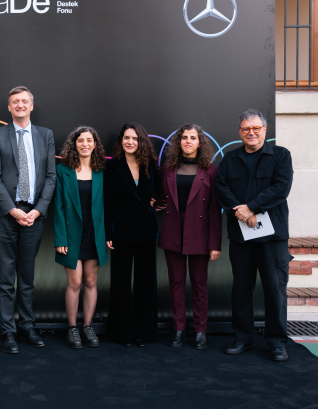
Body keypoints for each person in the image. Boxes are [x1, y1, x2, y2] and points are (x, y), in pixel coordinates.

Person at [216, 109, 293, 362]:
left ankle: (277, 342)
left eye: (256, 128)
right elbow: (221, 188)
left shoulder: (281, 155)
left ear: (265, 130)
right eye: (246, 129)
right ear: (240, 132)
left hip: (273, 238)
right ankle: (243, 338)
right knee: (241, 289)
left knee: (275, 290)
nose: (251, 133)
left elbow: (281, 188)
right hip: (241, 237)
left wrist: (252, 208)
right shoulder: (230, 159)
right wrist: (241, 212)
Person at [0, 86, 56, 354]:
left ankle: (27, 326)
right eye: (15, 101)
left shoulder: (45, 135)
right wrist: (12, 210)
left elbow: (51, 177)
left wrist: (38, 210)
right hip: (5, 215)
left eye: (24, 101)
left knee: (27, 276)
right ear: (9, 107)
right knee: (5, 278)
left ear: (31, 106)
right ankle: (7, 331)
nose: (20, 105)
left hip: (34, 215)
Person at [158, 124, 221, 350]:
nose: (188, 141)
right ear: (179, 142)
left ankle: (200, 331)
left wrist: (215, 244)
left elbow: (214, 209)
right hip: (173, 230)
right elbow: (161, 198)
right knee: (175, 282)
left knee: (199, 284)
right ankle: (178, 329)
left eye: (193, 138)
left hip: (199, 232)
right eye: (184, 137)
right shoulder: (167, 168)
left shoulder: (211, 171)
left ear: (199, 142)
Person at [104, 123, 162, 347]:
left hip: (146, 230)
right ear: (121, 141)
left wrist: (155, 204)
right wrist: (109, 231)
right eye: (126, 138)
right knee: (121, 283)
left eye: (135, 138)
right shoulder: (112, 166)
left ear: (141, 141)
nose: (130, 142)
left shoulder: (151, 164)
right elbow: (108, 201)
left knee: (146, 283)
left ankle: (143, 333)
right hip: (121, 230)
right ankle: (123, 333)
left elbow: (163, 192)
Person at [54, 126, 109, 349]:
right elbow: (58, 207)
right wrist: (60, 239)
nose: (85, 144)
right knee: (75, 282)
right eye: (80, 140)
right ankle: (72, 328)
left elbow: (109, 205)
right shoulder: (62, 170)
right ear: (74, 144)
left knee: (91, 281)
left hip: (95, 234)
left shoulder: (102, 171)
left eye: (89, 140)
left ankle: (87, 326)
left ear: (95, 145)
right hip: (71, 234)